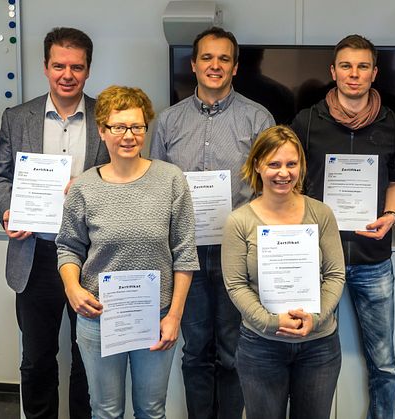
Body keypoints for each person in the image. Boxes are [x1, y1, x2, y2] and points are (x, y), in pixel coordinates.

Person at [150, 26, 274, 419]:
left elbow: (271, 187)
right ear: (194, 64)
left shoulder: (258, 118)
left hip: (238, 253)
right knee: (195, 349)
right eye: (207, 57)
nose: (215, 65)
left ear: (235, 67)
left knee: (234, 349)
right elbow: (157, 186)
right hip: (185, 256)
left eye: (223, 58)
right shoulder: (169, 122)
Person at [0, 27, 108, 419]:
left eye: (76, 66)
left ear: (88, 70)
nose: (67, 74)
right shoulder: (18, 117)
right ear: (45, 67)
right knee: (37, 359)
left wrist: (89, 186)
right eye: (59, 66)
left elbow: (124, 178)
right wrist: (8, 210)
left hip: (92, 257)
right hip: (35, 254)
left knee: (89, 357)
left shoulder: (107, 119)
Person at [56, 85, 199, 418]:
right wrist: (72, 288)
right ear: (103, 131)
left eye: (137, 126)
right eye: (118, 127)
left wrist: (174, 316)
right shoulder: (85, 187)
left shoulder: (171, 180)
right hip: (98, 316)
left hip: (157, 315)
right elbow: (68, 247)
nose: (128, 135)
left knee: (151, 410)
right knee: (105, 410)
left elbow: (185, 253)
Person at [289, 34, 395, 419]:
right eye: (345, 66)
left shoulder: (393, 122)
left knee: (384, 364)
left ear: (374, 73)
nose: (353, 74)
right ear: (333, 72)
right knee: (314, 359)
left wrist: (391, 216)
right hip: (319, 262)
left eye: (361, 67)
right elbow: (290, 182)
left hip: (373, 260)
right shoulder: (307, 121)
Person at [221, 125, 345, 419]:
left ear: (301, 166)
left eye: (291, 164)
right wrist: (270, 321)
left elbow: (335, 274)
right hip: (261, 346)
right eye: (274, 164)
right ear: (257, 166)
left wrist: (315, 319)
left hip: (319, 346)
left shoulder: (321, 213)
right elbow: (236, 284)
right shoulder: (239, 221)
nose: (283, 173)